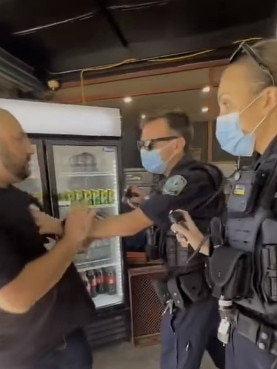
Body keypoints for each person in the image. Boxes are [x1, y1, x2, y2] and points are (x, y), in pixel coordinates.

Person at [35, 111, 225, 369]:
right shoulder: (178, 179)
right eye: (141, 144)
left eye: (150, 144)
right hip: (205, 285)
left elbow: (132, 224)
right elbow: (174, 211)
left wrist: (62, 226)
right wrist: (147, 203)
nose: (144, 150)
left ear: (177, 144)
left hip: (194, 290)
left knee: (177, 359)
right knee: (225, 352)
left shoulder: (188, 178)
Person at [171, 39, 277, 369]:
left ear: (268, 100)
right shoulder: (261, 170)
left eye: (226, 104)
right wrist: (204, 246)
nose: (221, 117)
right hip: (247, 343)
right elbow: (261, 258)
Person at [0, 108, 96, 369]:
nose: (31, 148)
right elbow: (14, 297)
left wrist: (68, 231)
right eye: (19, 139)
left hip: (62, 340)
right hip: (35, 354)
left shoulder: (18, 198)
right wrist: (72, 239)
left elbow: (61, 246)